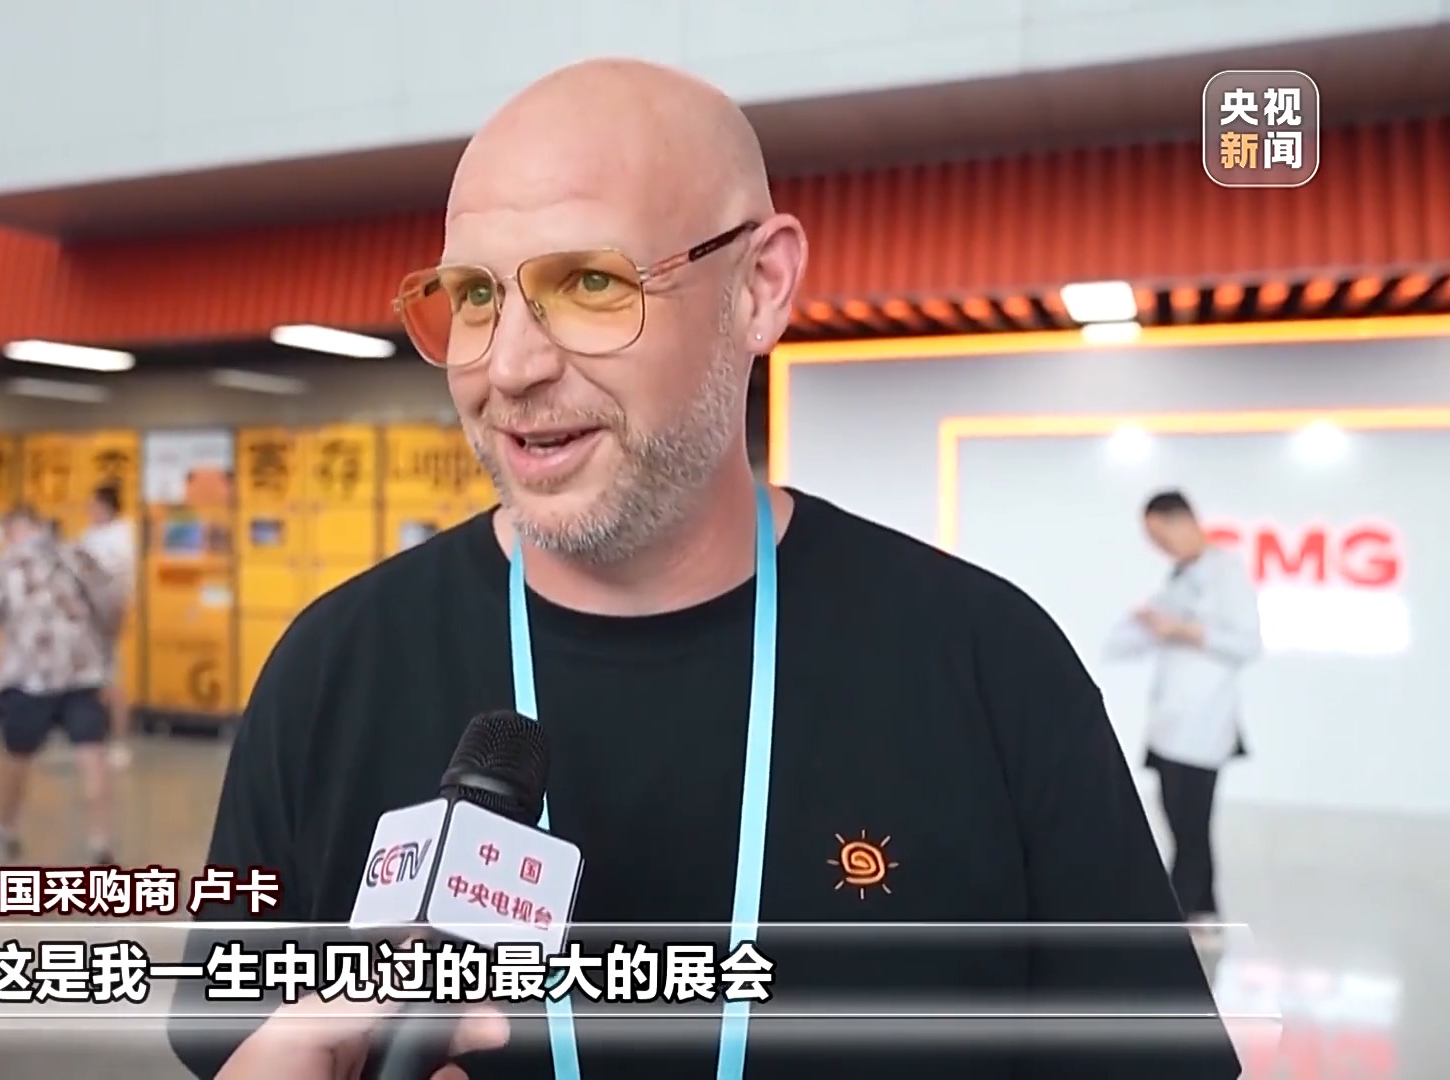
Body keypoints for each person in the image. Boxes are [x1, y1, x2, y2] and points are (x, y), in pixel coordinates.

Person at [175, 59, 1239, 1080]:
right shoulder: (331, 670)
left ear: (759, 288)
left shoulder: (989, 668)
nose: (509, 365)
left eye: (590, 282)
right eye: (473, 295)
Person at [1105, 490, 1263, 938]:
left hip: (1203, 724)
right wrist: (1150, 626)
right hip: (1171, 724)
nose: (1159, 547)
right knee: (1179, 822)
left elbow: (1247, 643)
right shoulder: (1181, 576)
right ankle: (1205, 911)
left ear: (1184, 521)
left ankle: (1176, 915)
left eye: (1160, 536)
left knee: (1190, 826)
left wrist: (1182, 630)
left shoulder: (1226, 573)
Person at [0, 505, 124, 863]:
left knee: (17, 753)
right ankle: (99, 840)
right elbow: (112, 606)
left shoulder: (4, 564)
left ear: (11, 530)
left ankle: (6, 825)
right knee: (92, 754)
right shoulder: (79, 556)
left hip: (29, 676)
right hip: (82, 671)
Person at [78, 482, 138, 766]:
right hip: (83, 615)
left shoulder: (122, 535)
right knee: (90, 679)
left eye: (94, 505)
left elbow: (118, 577)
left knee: (112, 678)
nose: (90, 510)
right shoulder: (89, 534)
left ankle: (120, 741)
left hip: (107, 615)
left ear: (107, 506)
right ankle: (92, 739)